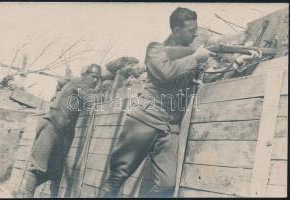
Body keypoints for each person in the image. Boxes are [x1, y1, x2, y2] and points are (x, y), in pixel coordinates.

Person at [99, 7, 215, 198]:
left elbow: (205, 80)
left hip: (170, 128)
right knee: (116, 179)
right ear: (176, 30)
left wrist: (237, 64)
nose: (194, 34)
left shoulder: (192, 55)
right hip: (144, 119)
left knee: (166, 186)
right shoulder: (156, 48)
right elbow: (165, 72)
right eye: (190, 30)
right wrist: (195, 58)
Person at [16, 64, 101, 198]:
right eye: (94, 77)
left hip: (62, 132)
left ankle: (28, 190)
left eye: (98, 78)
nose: (96, 80)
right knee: (37, 168)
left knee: (55, 173)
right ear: (85, 75)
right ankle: (26, 194)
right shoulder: (79, 83)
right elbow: (92, 99)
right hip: (51, 126)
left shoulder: (82, 88)